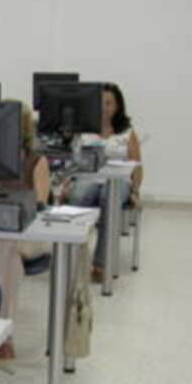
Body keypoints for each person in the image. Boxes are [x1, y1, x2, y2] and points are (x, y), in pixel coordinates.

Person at [0, 101, 51, 359]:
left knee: (5, 252)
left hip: (28, 234)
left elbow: (40, 206)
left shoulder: (35, 161)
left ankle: (3, 333)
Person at [68, 82, 143, 281]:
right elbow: (73, 161)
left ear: (117, 106)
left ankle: (101, 264)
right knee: (77, 196)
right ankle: (70, 257)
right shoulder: (84, 130)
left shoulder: (127, 132)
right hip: (89, 179)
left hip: (119, 183)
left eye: (109, 103)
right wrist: (68, 182)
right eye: (101, 103)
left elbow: (137, 167)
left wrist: (135, 191)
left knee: (108, 197)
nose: (104, 108)